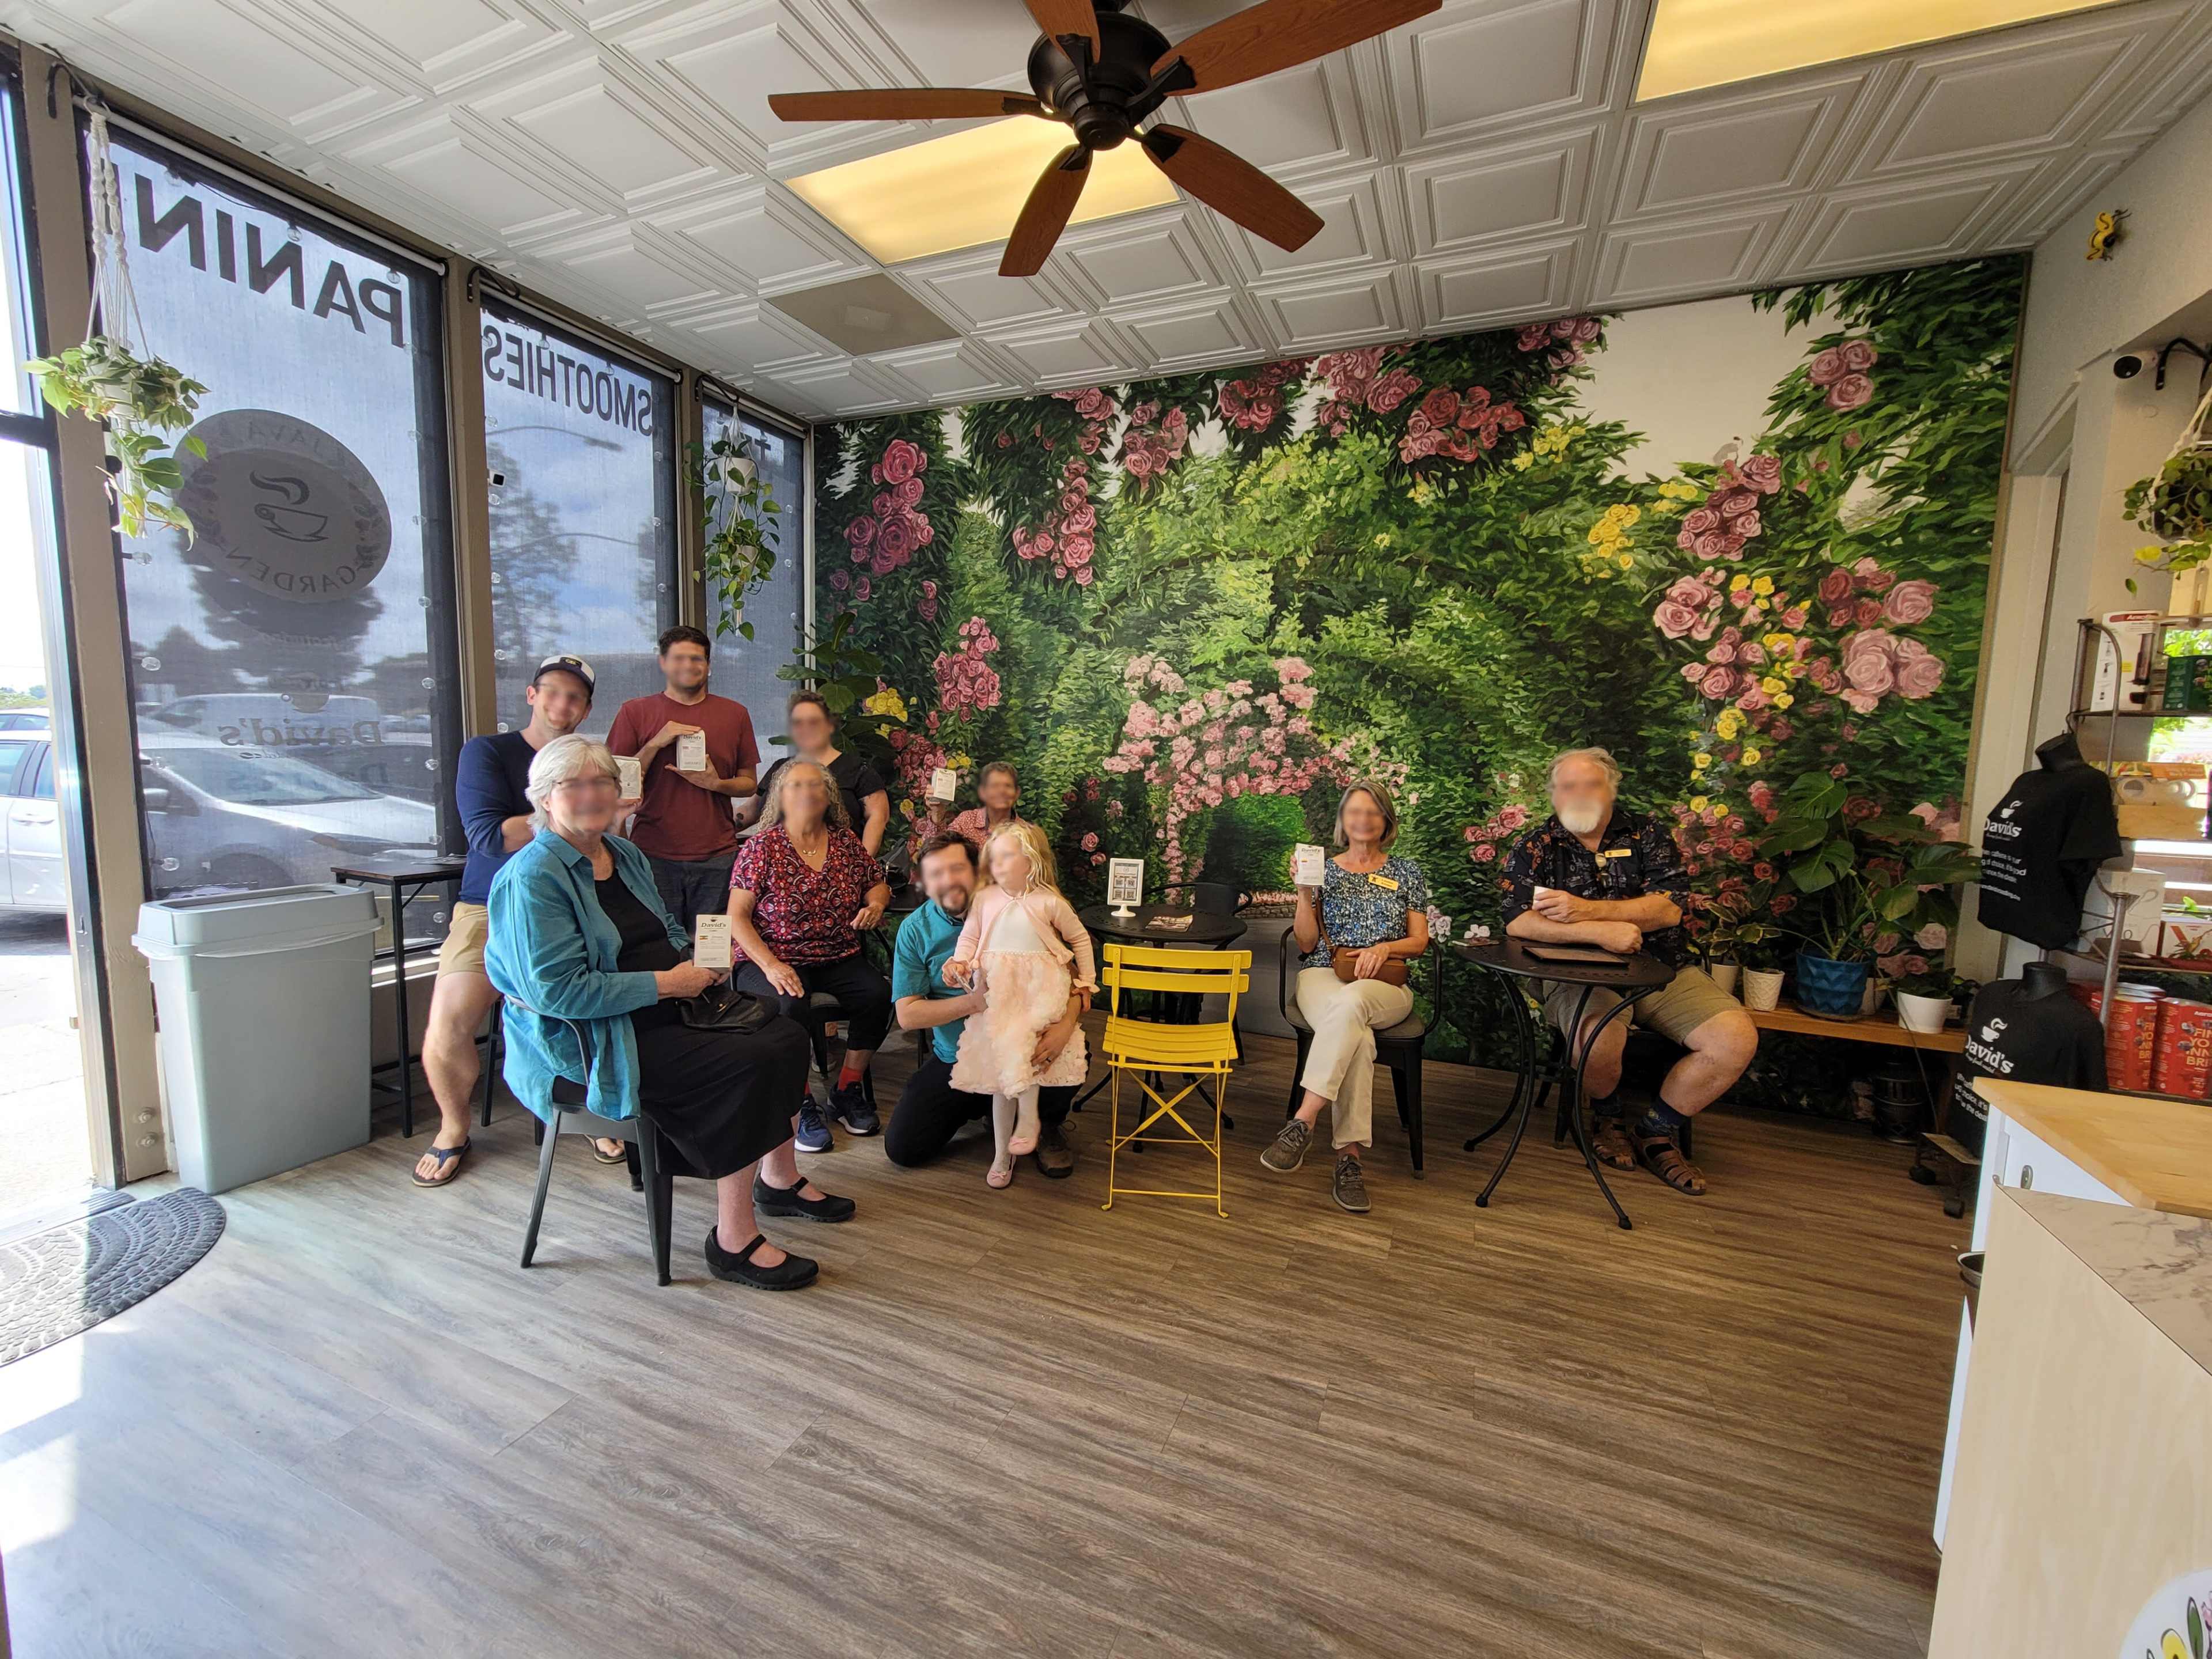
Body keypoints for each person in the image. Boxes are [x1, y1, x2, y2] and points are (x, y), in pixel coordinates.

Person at [484, 736, 852, 1290]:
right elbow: (559, 993)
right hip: (592, 1041)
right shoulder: (533, 878)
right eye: (575, 784)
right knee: (747, 1060)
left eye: (603, 782)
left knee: (784, 1032)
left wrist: (701, 960)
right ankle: (733, 1240)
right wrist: (668, 984)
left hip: (664, 1008)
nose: (593, 794)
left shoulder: (623, 854)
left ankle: (778, 1179)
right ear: (544, 796)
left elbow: (669, 929)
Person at [1499, 746, 1759, 1196]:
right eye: (1567, 786)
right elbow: (1518, 921)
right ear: (1553, 794)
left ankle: (1656, 1130)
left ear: (1611, 789)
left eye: (1591, 784)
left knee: (1735, 1038)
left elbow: (1669, 909)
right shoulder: (1534, 847)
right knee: (1596, 1038)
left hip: (1662, 970)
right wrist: (1601, 933)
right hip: (1577, 972)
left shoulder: (1648, 835)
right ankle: (1608, 1114)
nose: (1579, 793)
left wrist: (1584, 910)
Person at [414, 653, 621, 1188]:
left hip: (574, 902)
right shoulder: (487, 752)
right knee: (449, 1023)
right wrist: (570, 810)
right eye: (553, 691)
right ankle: (453, 1127)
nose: (562, 703)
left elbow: (602, 834)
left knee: (601, 1004)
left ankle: (594, 1113)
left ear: (586, 710)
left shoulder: (586, 761)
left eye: (575, 697)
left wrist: (594, 811)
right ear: (532, 695)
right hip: (489, 908)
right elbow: (489, 837)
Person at [1263, 781, 1429, 1215]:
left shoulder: (1407, 871)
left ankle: (1303, 1120)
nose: (1363, 820)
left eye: (1373, 812)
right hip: (1323, 973)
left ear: (1386, 821)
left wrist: (1384, 948)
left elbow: (1419, 941)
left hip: (1385, 983)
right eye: (1355, 811)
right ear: (1343, 820)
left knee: (1353, 1005)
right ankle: (1349, 1160)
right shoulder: (1323, 870)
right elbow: (1306, 943)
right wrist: (1303, 892)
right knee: (1357, 1033)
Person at [885, 833, 1082, 1177]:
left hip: (1026, 1051)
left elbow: (1075, 982)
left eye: (957, 869)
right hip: (959, 1056)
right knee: (904, 1149)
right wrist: (975, 1002)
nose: (947, 881)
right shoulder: (916, 930)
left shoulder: (1025, 906)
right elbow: (908, 1015)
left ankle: (1047, 1124)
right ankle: (985, 1108)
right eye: (935, 874)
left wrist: (1065, 1027)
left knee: (1075, 1051)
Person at [728, 759, 894, 1149]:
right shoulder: (762, 847)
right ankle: (799, 1102)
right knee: (789, 1006)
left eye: (816, 785)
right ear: (780, 796)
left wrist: (876, 904)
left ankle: (846, 1090)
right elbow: (736, 917)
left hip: (836, 954)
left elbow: (877, 883)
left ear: (829, 795)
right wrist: (771, 965)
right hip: (773, 957)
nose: (807, 792)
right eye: (797, 785)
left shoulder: (845, 842)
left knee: (878, 995)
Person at [940, 821, 1096, 1189]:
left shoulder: (1049, 901)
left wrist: (1086, 981)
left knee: (1028, 1057)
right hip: (1000, 994)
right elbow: (970, 937)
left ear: (1031, 860)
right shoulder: (985, 899)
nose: (996, 864)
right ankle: (1001, 1153)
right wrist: (960, 961)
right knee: (1003, 1077)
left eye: (1006, 856)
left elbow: (1079, 939)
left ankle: (1028, 1123)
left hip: (1038, 991)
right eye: (993, 857)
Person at [607, 624, 760, 931]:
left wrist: (716, 784)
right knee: (659, 943)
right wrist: (655, 744)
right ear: (663, 662)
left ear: (708, 665)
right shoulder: (634, 712)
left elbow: (749, 783)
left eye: (696, 658)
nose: (688, 665)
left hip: (718, 857)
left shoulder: (735, 714)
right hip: (652, 855)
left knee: (713, 950)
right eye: (679, 658)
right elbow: (615, 785)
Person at [748, 691, 892, 858]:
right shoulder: (780, 768)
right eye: (798, 723)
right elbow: (752, 810)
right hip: (778, 864)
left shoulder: (857, 769)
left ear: (829, 725)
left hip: (839, 865)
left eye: (813, 722)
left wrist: (862, 864)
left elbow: (879, 816)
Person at [925, 760, 1026, 851]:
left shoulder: (1026, 833)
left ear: (1017, 793)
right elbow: (935, 853)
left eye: (1008, 786)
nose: (1001, 791)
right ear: (982, 792)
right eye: (994, 785)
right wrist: (937, 812)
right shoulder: (966, 822)